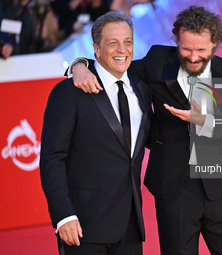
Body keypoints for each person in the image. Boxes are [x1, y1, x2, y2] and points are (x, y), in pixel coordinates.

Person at [69, 5, 222, 255]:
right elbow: (113, 67)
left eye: (201, 50)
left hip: (219, 190)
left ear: (216, 44)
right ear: (176, 40)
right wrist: (79, 65)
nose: (192, 57)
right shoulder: (158, 61)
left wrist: (207, 120)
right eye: (185, 49)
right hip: (173, 189)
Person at [40, 11, 152, 255]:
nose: (122, 49)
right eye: (112, 43)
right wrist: (63, 215)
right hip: (83, 225)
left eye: (128, 42)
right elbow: (52, 158)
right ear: (96, 49)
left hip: (131, 226)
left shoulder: (142, 87)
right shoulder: (69, 92)